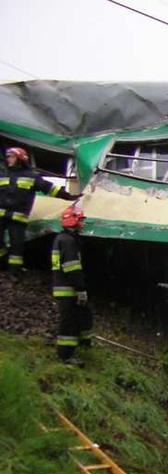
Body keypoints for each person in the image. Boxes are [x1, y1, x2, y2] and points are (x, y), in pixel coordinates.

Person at [1, 146, 81, 276]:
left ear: (20, 159)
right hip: (1, 216)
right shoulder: (2, 175)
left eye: (11, 156)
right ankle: (4, 264)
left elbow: (50, 189)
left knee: (17, 247)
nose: (8, 159)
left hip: (17, 219)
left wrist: (69, 196)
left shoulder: (32, 176)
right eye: (8, 156)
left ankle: (14, 273)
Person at [50, 205, 93, 366]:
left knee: (78, 319)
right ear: (73, 220)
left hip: (65, 288)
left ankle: (80, 346)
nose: (82, 224)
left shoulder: (63, 239)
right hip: (68, 289)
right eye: (80, 220)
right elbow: (72, 267)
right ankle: (65, 356)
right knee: (68, 324)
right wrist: (80, 289)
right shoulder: (68, 242)